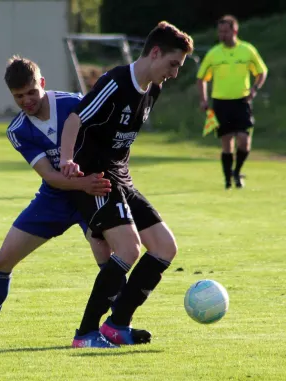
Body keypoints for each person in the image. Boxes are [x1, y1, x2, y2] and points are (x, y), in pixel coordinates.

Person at [0, 56, 120, 341]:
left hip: (93, 193)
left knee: (107, 258)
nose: (26, 100)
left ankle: (118, 326)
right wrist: (83, 184)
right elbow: (49, 175)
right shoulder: (18, 130)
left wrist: (93, 182)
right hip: (55, 198)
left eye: (31, 92)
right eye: (18, 96)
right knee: (2, 261)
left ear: (42, 84)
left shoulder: (73, 102)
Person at [60, 21, 194, 348]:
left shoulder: (154, 89)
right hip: (94, 179)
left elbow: (122, 139)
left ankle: (118, 324)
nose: (174, 73)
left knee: (164, 247)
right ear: (155, 52)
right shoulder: (116, 81)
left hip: (121, 178)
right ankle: (85, 333)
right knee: (129, 249)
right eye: (173, 64)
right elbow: (75, 119)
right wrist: (67, 160)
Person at [196, 15, 268, 189]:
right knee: (227, 141)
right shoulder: (214, 53)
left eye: (225, 31)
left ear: (234, 31)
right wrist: (203, 99)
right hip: (221, 102)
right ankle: (228, 178)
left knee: (244, 140)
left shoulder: (247, 50)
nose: (222, 35)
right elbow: (201, 78)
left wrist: (254, 89)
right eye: (220, 31)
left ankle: (237, 171)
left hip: (241, 101)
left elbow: (261, 71)